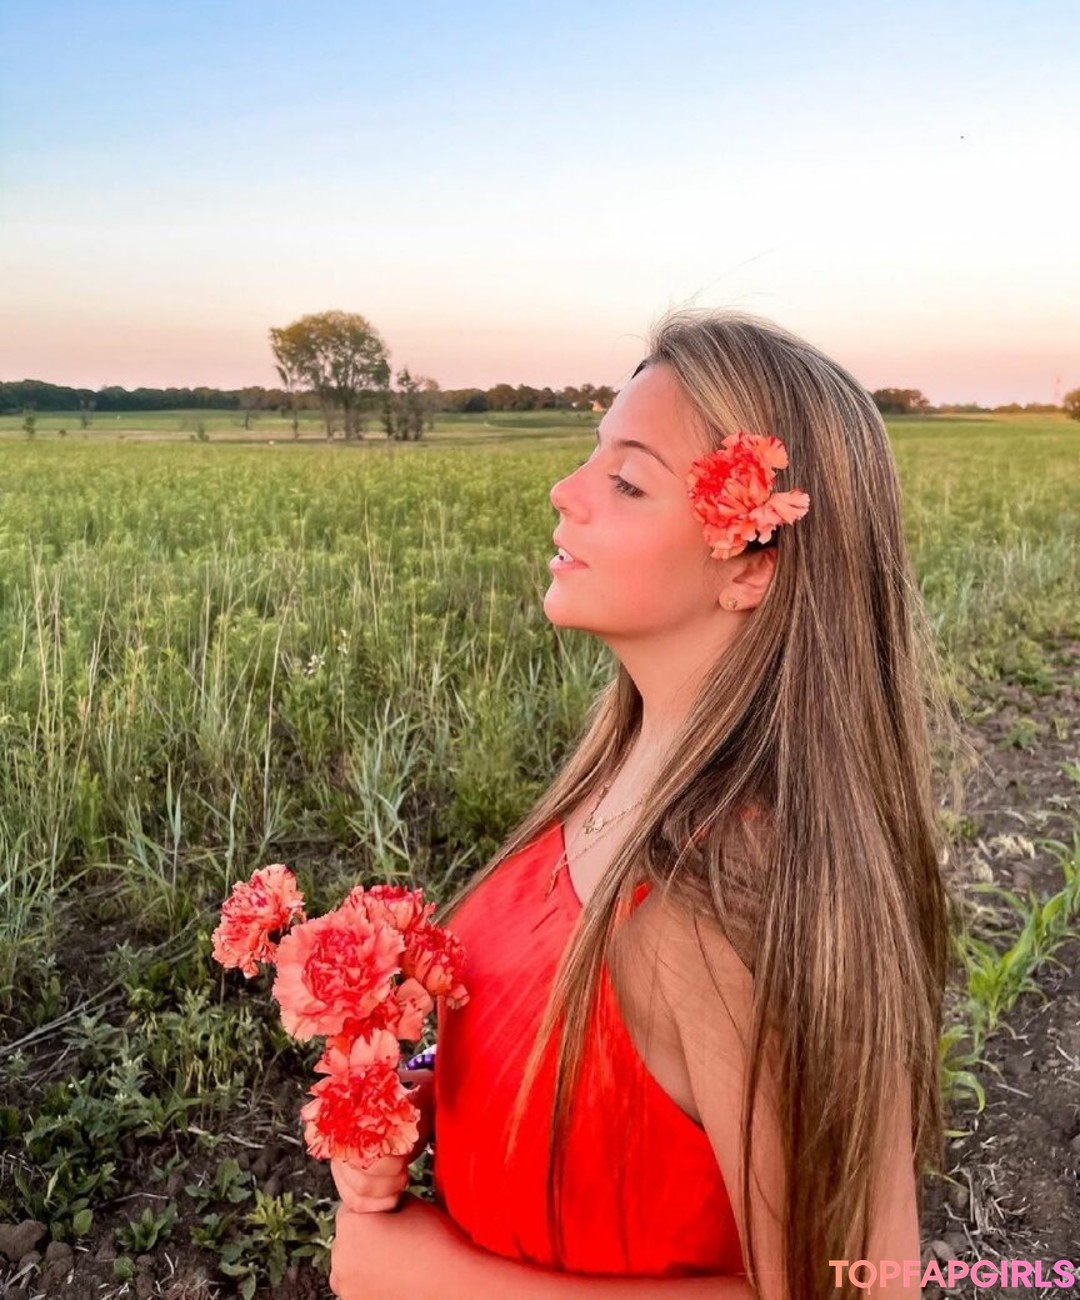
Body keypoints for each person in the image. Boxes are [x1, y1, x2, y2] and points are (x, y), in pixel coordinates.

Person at [328, 309, 964, 1300]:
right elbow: (606, 1071)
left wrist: (422, 1276)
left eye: (627, 480)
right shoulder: (619, 772)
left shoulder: (720, 900)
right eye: (594, 457)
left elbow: (857, 1286)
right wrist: (438, 1086)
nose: (565, 490)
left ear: (750, 563)